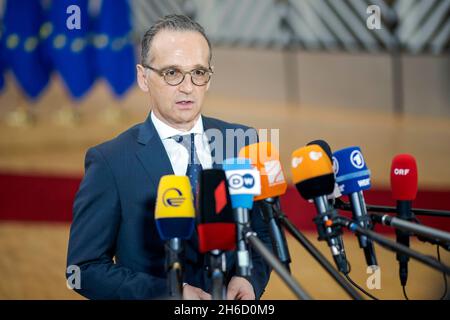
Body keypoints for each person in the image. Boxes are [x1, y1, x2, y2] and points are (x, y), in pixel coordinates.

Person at [66, 14, 272, 300]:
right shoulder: (110, 161)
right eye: (172, 73)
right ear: (143, 77)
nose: (187, 87)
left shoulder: (242, 143)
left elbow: (263, 234)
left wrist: (247, 278)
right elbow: (83, 270)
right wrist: (169, 293)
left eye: (198, 73)